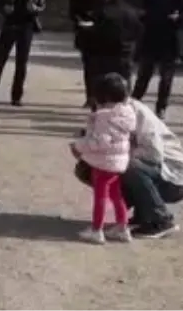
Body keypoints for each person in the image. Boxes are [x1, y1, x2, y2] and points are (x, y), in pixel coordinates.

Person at [74, 90, 183, 239]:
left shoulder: (137, 114)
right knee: (88, 168)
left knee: (126, 165)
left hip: (176, 179)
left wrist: (119, 153)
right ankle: (143, 214)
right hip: (153, 170)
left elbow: (154, 155)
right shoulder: (110, 114)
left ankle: (161, 220)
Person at [69, 74, 135, 244]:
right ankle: (122, 228)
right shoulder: (127, 113)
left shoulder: (105, 117)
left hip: (104, 163)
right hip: (119, 162)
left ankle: (97, 230)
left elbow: (100, 142)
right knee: (116, 195)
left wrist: (79, 145)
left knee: (101, 197)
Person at [132, 0, 183, 120]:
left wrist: (179, 18)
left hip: (169, 44)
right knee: (143, 76)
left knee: (166, 79)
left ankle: (161, 107)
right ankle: (134, 103)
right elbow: (141, 18)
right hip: (150, 42)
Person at [82, 0, 141, 109]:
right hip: (124, 56)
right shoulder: (131, 12)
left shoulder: (101, 11)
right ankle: (125, 114)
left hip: (103, 56)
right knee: (124, 88)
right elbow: (138, 32)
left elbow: (94, 33)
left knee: (102, 89)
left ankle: (99, 116)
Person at [70, 0, 108, 106]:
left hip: (104, 39)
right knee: (89, 69)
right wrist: (82, 22)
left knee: (103, 70)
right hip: (87, 38)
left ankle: (102, 97)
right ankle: (90, 96)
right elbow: (74, 14)